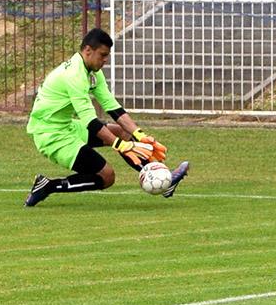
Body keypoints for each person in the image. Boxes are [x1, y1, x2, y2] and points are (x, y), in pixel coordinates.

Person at [23, 28, 189, 207]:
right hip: (51, 136)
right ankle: (48, 186)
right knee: (107, 176)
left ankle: (161, 179)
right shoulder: (74, 75)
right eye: (102, 55)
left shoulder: (92, 71)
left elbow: (112, 106)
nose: (105, 60)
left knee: (123, 133)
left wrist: (140, 135)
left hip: (66, 126)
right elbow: (90, 122)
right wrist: (120, 145)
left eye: (107, 55)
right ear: (88, 50)